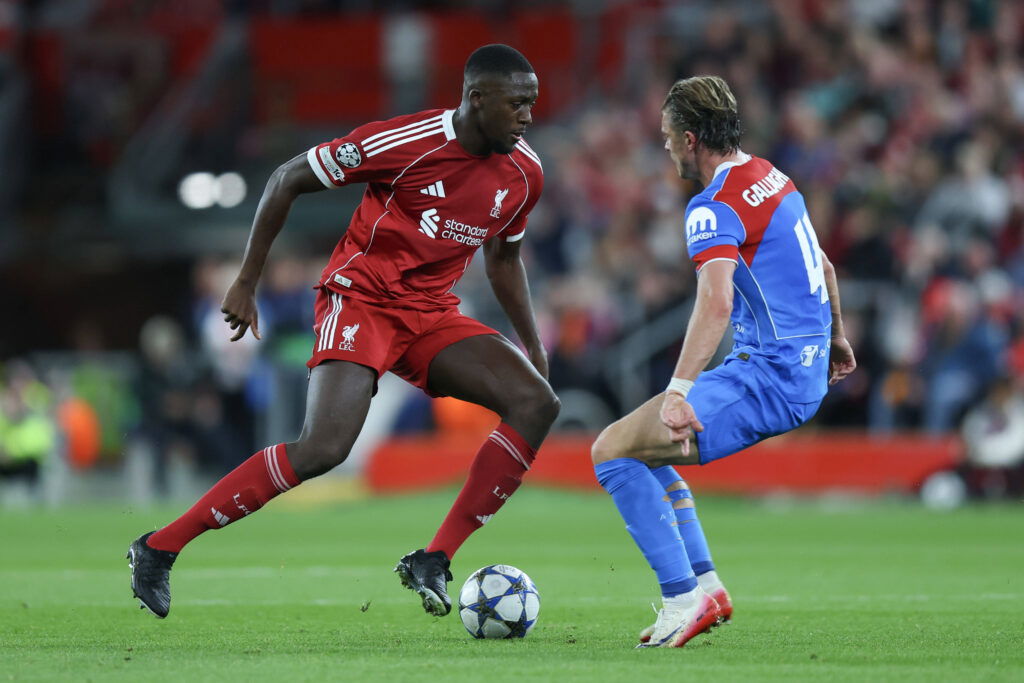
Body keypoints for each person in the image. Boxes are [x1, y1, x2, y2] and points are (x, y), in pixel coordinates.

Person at [127, 44, 558, 619]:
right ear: (477, 99)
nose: (528, 116)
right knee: (323, 449)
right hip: (361, 300)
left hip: (431, 312)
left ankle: (433, 558)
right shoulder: (405, 142)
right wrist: (247, 280)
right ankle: (159, 547)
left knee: (536, 402)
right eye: (517, 103)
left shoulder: (525, 173)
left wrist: (532, 344)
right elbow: (286, 179)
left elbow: (504, 260)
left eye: (532, 103)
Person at [591, 76, 856, 649]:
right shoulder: (771, 176)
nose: (665, 148)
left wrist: (678, 390)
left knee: (610, 451)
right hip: (801, 367)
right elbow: (824, 266)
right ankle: (706, 587)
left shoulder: (712, 206)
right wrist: (836, 335)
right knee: (640, 448)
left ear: (690, 139)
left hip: (769, 375)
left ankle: (682, 598)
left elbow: (717, 302)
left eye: (667, 137)